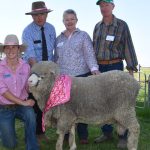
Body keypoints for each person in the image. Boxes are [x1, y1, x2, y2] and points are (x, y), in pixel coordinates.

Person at [93, 0, 138, 148]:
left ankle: (123, 135)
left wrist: (130, 71)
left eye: (106, 5)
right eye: (101, 6)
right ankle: (106, 132)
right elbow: (93, 49)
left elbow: (128, 47)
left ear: (113, 6)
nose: (103, 8)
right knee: (102, 101)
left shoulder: (122, 25)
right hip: (100, 68)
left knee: (119, 102)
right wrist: (94, 68)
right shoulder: (97, 27)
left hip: (116, 66)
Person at [54, 9, 100, 144]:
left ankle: (83, 135)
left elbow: (89, 54)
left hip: (81, 76)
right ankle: (66, 134)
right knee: (65, 108)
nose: (69, 21)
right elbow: (56, 58)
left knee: (81, 106)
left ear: (76, 20)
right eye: (67, 19)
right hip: (64, 78)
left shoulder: (83, 35)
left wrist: (94, 69)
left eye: (72, 19)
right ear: (63, 21)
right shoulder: (58, 38)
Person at [22, 1, 56, 142]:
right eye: (36, 15)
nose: (39, 17)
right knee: (34, 104)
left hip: (48, 73)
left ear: (46, 14)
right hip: (34, 73)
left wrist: (51, 72)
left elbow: (53, 51)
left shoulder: (51, 29)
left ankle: (41, 132)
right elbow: (30, 56)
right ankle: (34, 134)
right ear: (32, 16)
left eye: (42, 14)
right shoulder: (27, 31)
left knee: (44, 103)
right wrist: (39, 75)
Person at [0, 34, 39, 150]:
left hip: (22, 105)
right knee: (10, 144)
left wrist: (34, 85)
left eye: (14, 47)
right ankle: (5, 131)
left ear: (18, 49)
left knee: (31, 115)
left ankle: (32, 146)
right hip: (4, 107)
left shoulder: (26, 67)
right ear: (4, 50)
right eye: (8, 47)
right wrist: (24, 103)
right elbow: (3, 91)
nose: (11, 50)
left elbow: (28, 87)